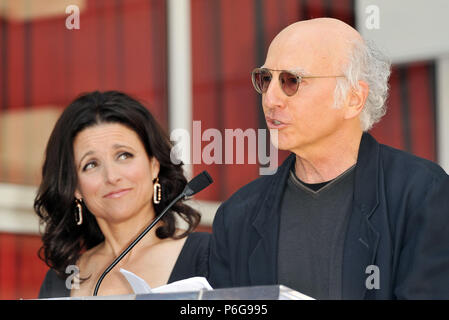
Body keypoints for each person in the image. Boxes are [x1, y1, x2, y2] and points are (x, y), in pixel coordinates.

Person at [208, 18, 449, 299]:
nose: (270, 98)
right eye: (265, 79)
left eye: (291, 81)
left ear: (353, 98)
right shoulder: (238, 215)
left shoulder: (423, 194)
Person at [35, 91, 209, 298]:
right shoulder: (60, 280)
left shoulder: (207, 255)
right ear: (75, 188)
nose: (112, 176)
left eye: (124, 155)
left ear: (154, 165)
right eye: (91, 164)